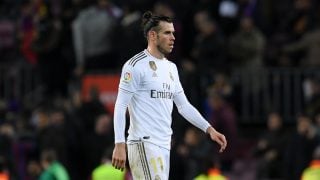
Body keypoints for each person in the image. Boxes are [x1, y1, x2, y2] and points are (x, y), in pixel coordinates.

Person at [112, 11, 227, 180]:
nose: (172, 37)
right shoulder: (135, 66)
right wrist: (119, 143)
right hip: (143, 143)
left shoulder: (171, 68)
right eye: (167, 33)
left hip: (164, 145)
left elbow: (183, 106)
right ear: (153, 36)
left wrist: (208, 128)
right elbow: (120, 106)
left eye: (173, 33)